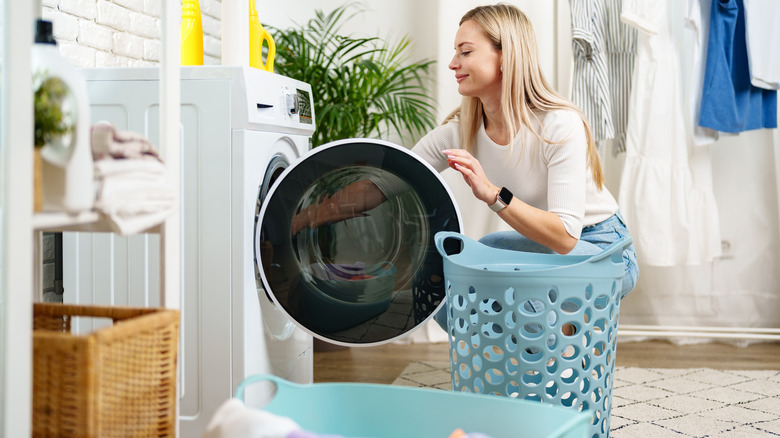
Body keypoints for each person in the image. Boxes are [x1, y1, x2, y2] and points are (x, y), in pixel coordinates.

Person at [291, 3, 638, 331]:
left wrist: (494, 195)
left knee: (515, 291)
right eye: (456, 52)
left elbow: (564, 237)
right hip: (545, 246)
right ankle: (525, 360)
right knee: (457, 273)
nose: (453, 63)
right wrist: (300, 218)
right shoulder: (460, 131)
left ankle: (554, 370)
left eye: (466, 51)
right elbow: (381, 185)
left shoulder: (558, 125)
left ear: (505, 56)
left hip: (605, 251)